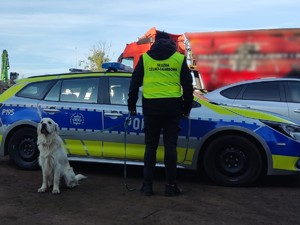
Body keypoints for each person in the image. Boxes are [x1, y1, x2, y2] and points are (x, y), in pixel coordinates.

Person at [127, 31, 194, 197]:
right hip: (173, 108)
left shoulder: (145, 58)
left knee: (151, 147)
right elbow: (187, 86)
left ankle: (147, 186)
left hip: (151, 108)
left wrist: (132, 106)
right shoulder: (179, 59)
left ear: (154, 43)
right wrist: (186, 109)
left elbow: (134, 83)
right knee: (170, 147)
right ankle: (170, 186)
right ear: (170, 43)